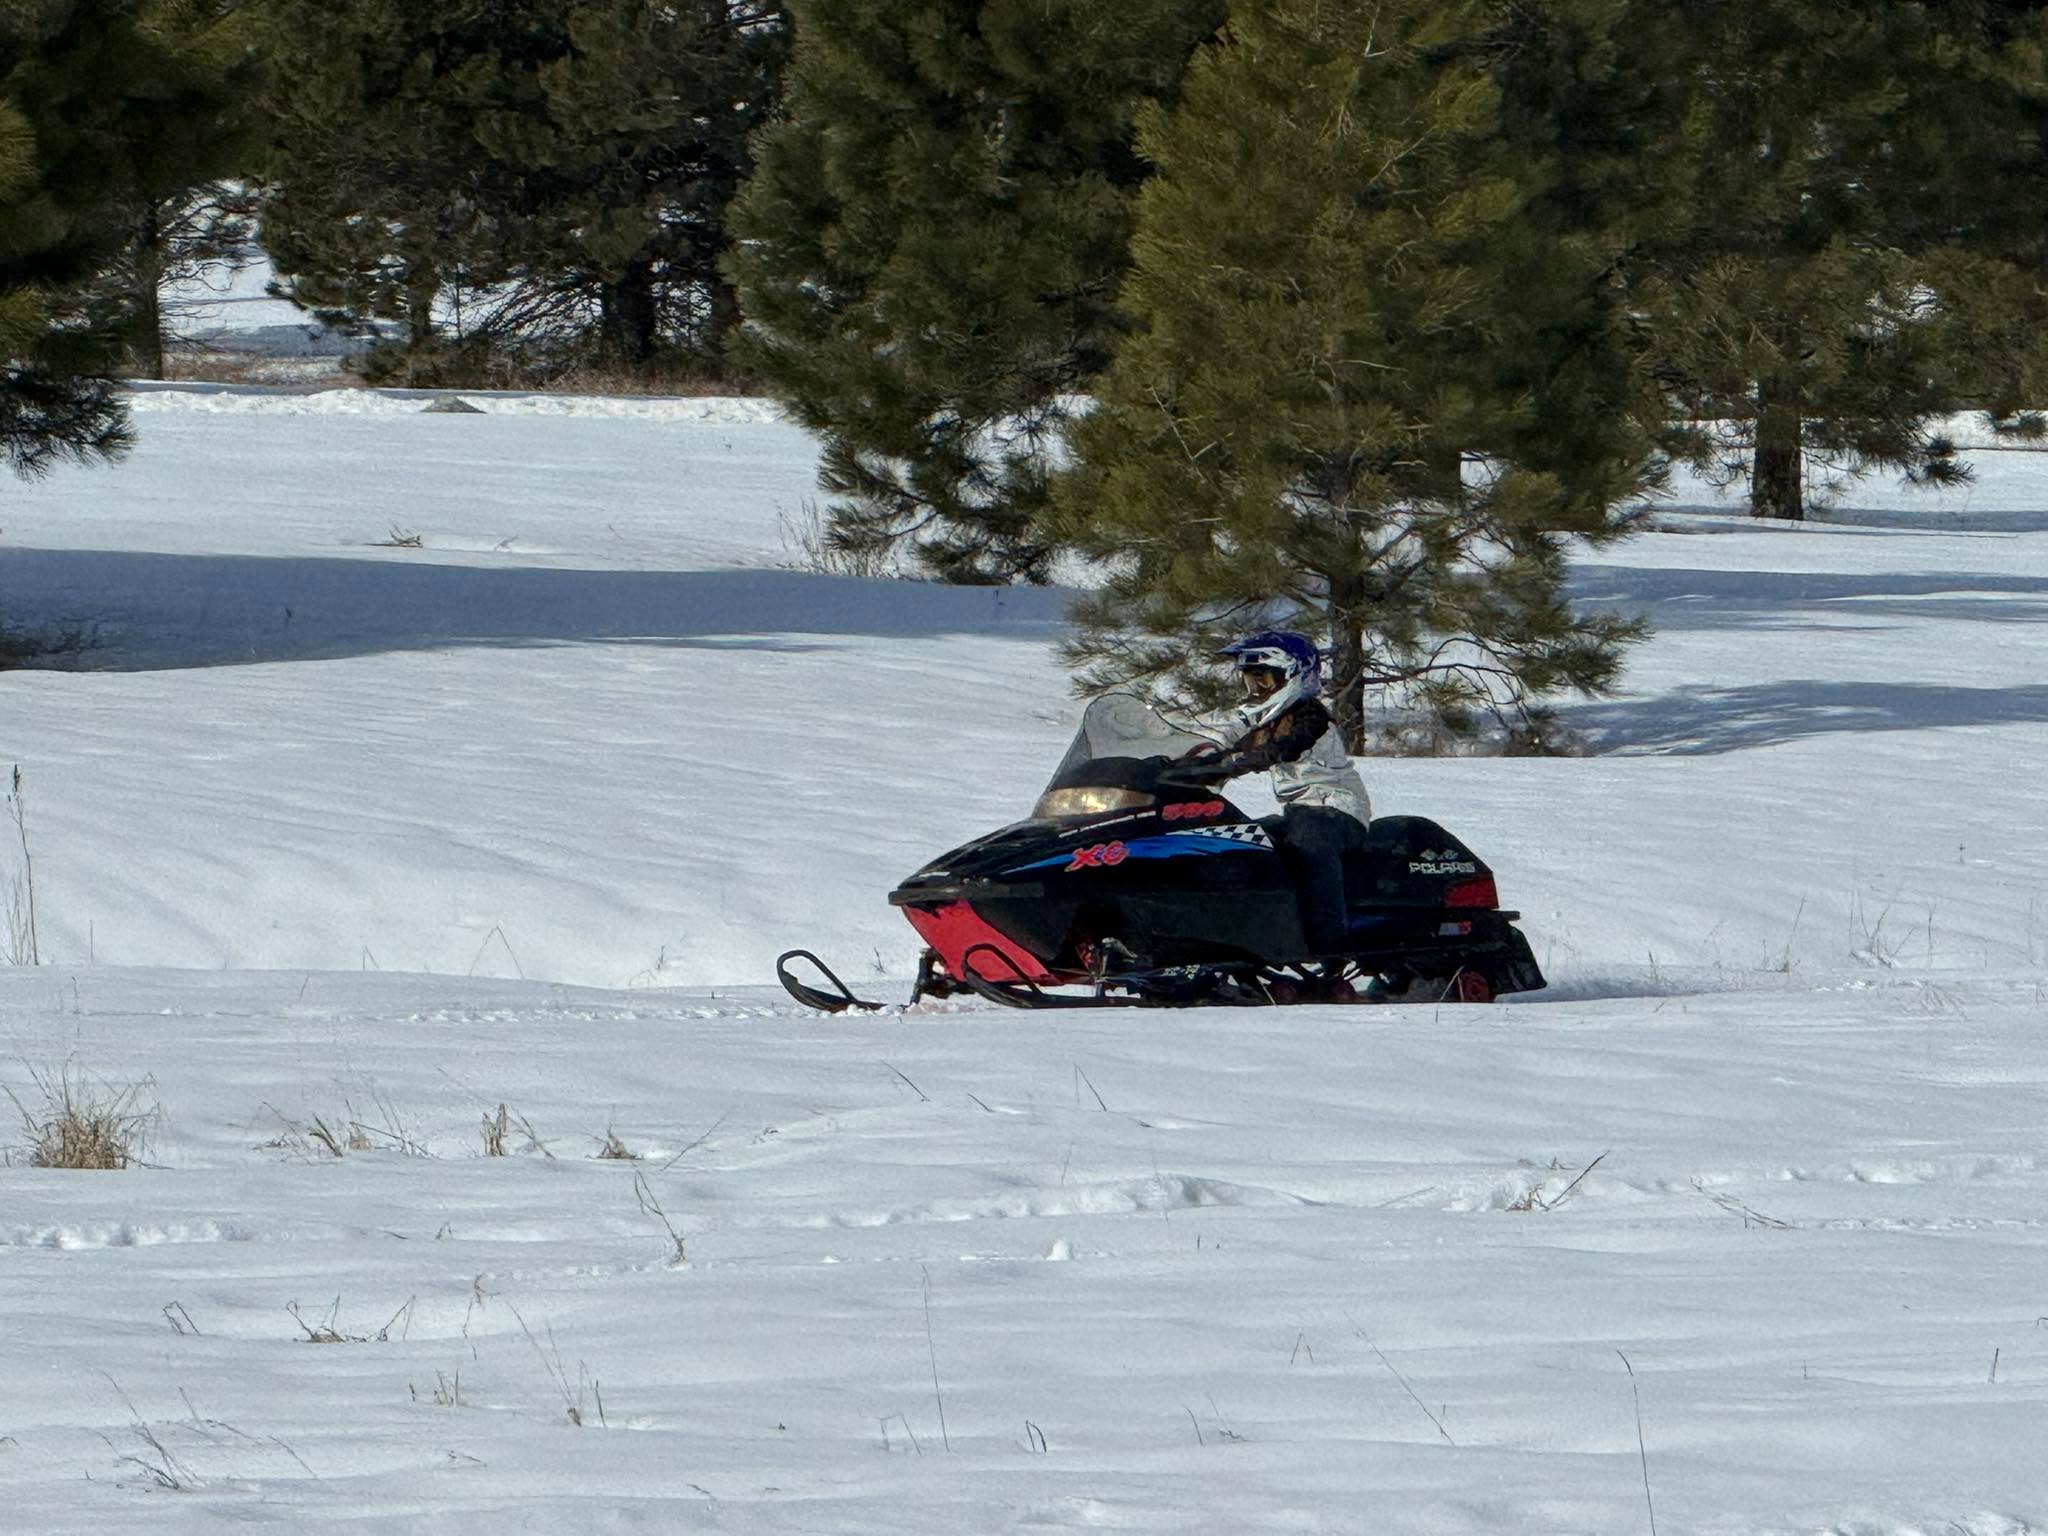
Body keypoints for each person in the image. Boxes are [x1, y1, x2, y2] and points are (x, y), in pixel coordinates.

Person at [1163, 630, 1373, 958]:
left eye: (1262, 680)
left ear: (1292, 676)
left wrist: (1245, 762)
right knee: (1241, 844)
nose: (1255, 690)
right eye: (1250, 682)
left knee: (1311, 847)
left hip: (1335, 808)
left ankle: (1330, 942)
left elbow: (1287, 746)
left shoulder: (1310, 715)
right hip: (1298, 813)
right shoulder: (1268, 721)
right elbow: (1230, 750)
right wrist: (1175, 768)